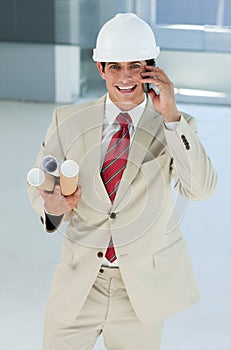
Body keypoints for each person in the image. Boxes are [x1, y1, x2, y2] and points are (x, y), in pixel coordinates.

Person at [27, 13, 217, 350]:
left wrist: (171, 117)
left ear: (151, 68)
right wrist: (51, 206)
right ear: (100, 68)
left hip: (140, 291)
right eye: (114, 66)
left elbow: (200, 190)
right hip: (80, 286)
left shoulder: (177, 124)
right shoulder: (69, 120)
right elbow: (41, 183)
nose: (125, 76)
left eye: (135, 66)